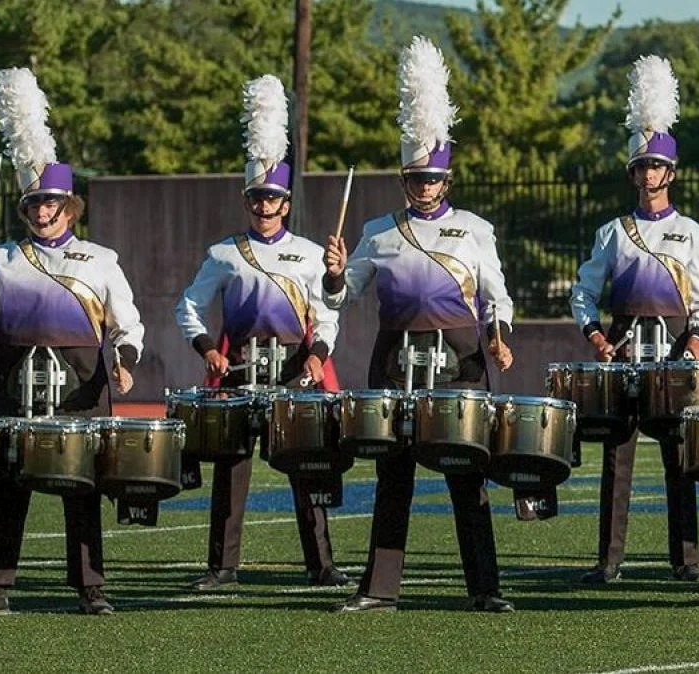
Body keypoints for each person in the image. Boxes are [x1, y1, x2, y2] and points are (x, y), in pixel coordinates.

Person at [323, 36, 515, 613]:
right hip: (393, 361)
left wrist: (500, 333)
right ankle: (379, 590)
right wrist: (333, 275)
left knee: (465, 475)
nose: (424, 188)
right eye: (415, 179)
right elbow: (339, 298)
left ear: (446, 180)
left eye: (432, 179)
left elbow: (496, 295)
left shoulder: (476, 229)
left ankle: (485, 589)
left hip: (460, 361)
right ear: (403, 179)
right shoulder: (378, 231)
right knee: (394, 477)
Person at [0, 68, 143, 615]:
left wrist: (125, 360)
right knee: (8, 486)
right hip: (13, 375)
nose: (40, 211)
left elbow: (128, 321)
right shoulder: (5, 257)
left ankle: (91, 590)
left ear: (68, 206)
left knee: (81, 489)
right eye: (33, 204)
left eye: (49, 202)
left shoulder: (101, 259)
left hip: (81, 381)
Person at [174, 74, 348, 591]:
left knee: (305, 469)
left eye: (273, 199)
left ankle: (321, 564)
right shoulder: (224, 253)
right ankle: (222, 568)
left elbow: (330, 312)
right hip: (239, 367)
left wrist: (317, 355)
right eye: (256, 199)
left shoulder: (313, 253)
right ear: (246, 200)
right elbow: (188, 305)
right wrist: (206, 348)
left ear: (286, 203)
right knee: (231, 471)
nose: (264, 207)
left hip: (297, 369)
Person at [569, 55, 699, 584]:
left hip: (673, 355)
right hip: (624, 352)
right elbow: (582, 292)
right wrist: (595, 337)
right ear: (632, 173)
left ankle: (687, 561)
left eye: (657, 166)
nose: (649, 175)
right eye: (641, 167)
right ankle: (608, 562)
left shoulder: (695, 233)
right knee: (616, 459)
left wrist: (696, 341)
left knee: (679, 456)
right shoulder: (612, 232)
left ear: (670, 172)